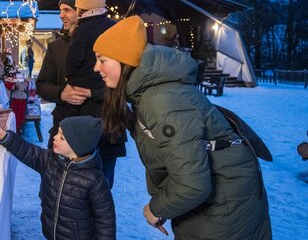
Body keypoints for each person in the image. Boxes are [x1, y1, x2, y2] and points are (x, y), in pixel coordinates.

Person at [93, 16, 272, 239]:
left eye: (102, 60)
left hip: (226, 203)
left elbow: (192, 185)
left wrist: (156, 208)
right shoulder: (148, 93)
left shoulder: (161, 101)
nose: (95, 67)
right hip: (222, 197)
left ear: (125, 60)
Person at [36, 0, 126, 188]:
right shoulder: (56, 47)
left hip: (105, 131)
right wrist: (62, 93)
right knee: (56, 189)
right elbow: (41, 86)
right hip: (66, 130)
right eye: (61, 10)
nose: (61, 15)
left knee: (100, 194)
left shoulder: (110, 42)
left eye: (67, 10)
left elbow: (124, 86)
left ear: (82, 11)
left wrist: (94, 93)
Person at [0, 116, 116, 240]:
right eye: (57, 133)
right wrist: (5, 136)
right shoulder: (51, 160)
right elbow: (28, 152)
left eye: (62, 137)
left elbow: (105, 221)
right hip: (52, 233)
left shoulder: (95, 180)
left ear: (78, 146)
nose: (55, 137)